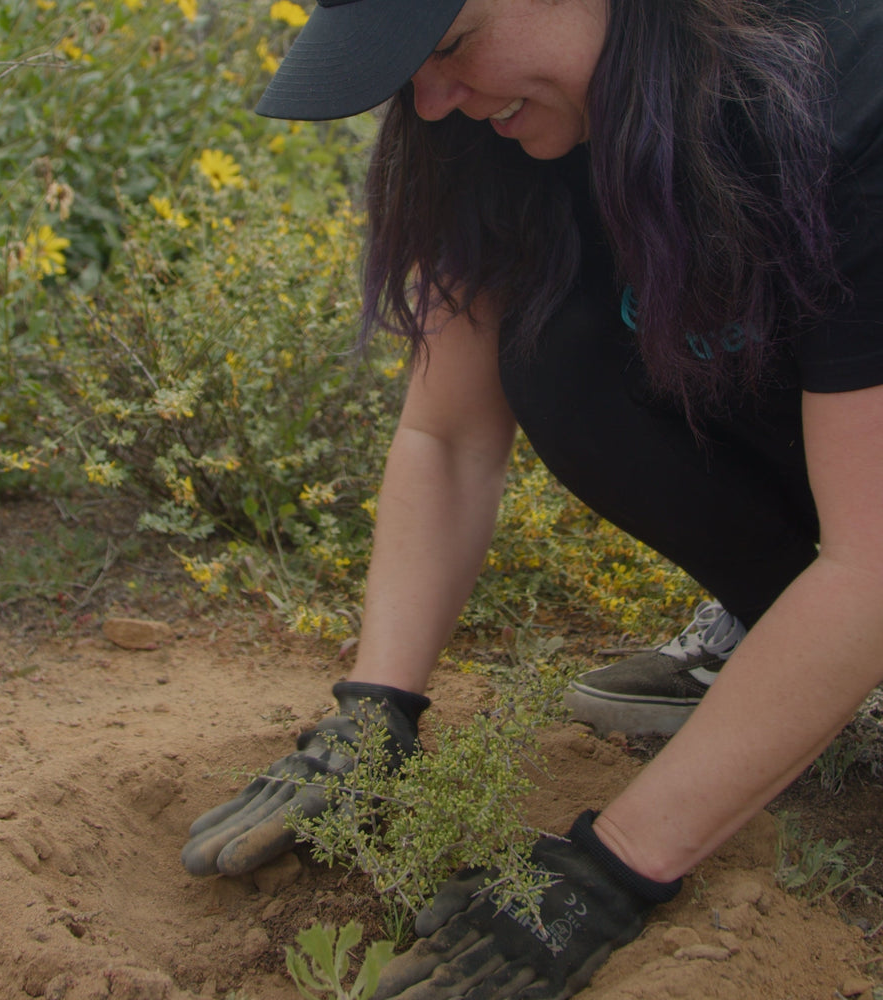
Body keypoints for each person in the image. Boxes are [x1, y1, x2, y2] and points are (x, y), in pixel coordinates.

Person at [183, 0, 883, 995]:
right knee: (557, 360)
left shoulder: (846, 98)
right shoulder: (516, 125)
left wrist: (613, 865)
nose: (429, 103)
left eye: (452, 47)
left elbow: (874, 561)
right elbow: (449, 434)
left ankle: (802, 667)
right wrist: (372, 710)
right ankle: (770, 633)